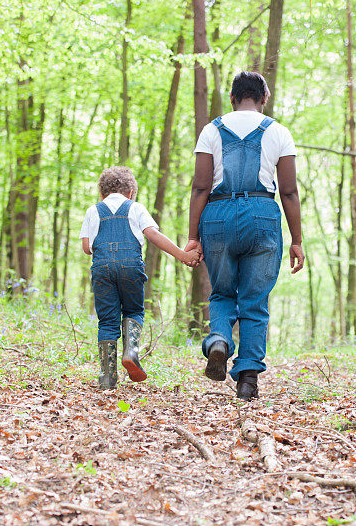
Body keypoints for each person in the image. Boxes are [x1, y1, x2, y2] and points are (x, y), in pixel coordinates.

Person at [185, 71, 305, 401]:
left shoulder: (212, 130)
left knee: (223, 293)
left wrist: (193, 236)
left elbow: (200, 186)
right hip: (263, 215)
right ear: (263, 99)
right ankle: (248, 380)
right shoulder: (279, 132)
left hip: (219, 216)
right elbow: (290, 191)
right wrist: (296, 240)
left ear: (233, 99)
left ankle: (220, 341)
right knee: (255, 300)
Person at [80, 166, 201, 389]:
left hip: (102, 269)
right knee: (134, 310)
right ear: (131, 192)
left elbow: (87, 247)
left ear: (101, 193)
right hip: (131, 267)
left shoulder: (93, 211)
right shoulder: (135, 208)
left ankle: (107, 377)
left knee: (107, 320)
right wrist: (182, 255)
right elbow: (153, 235)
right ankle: (131, 351)